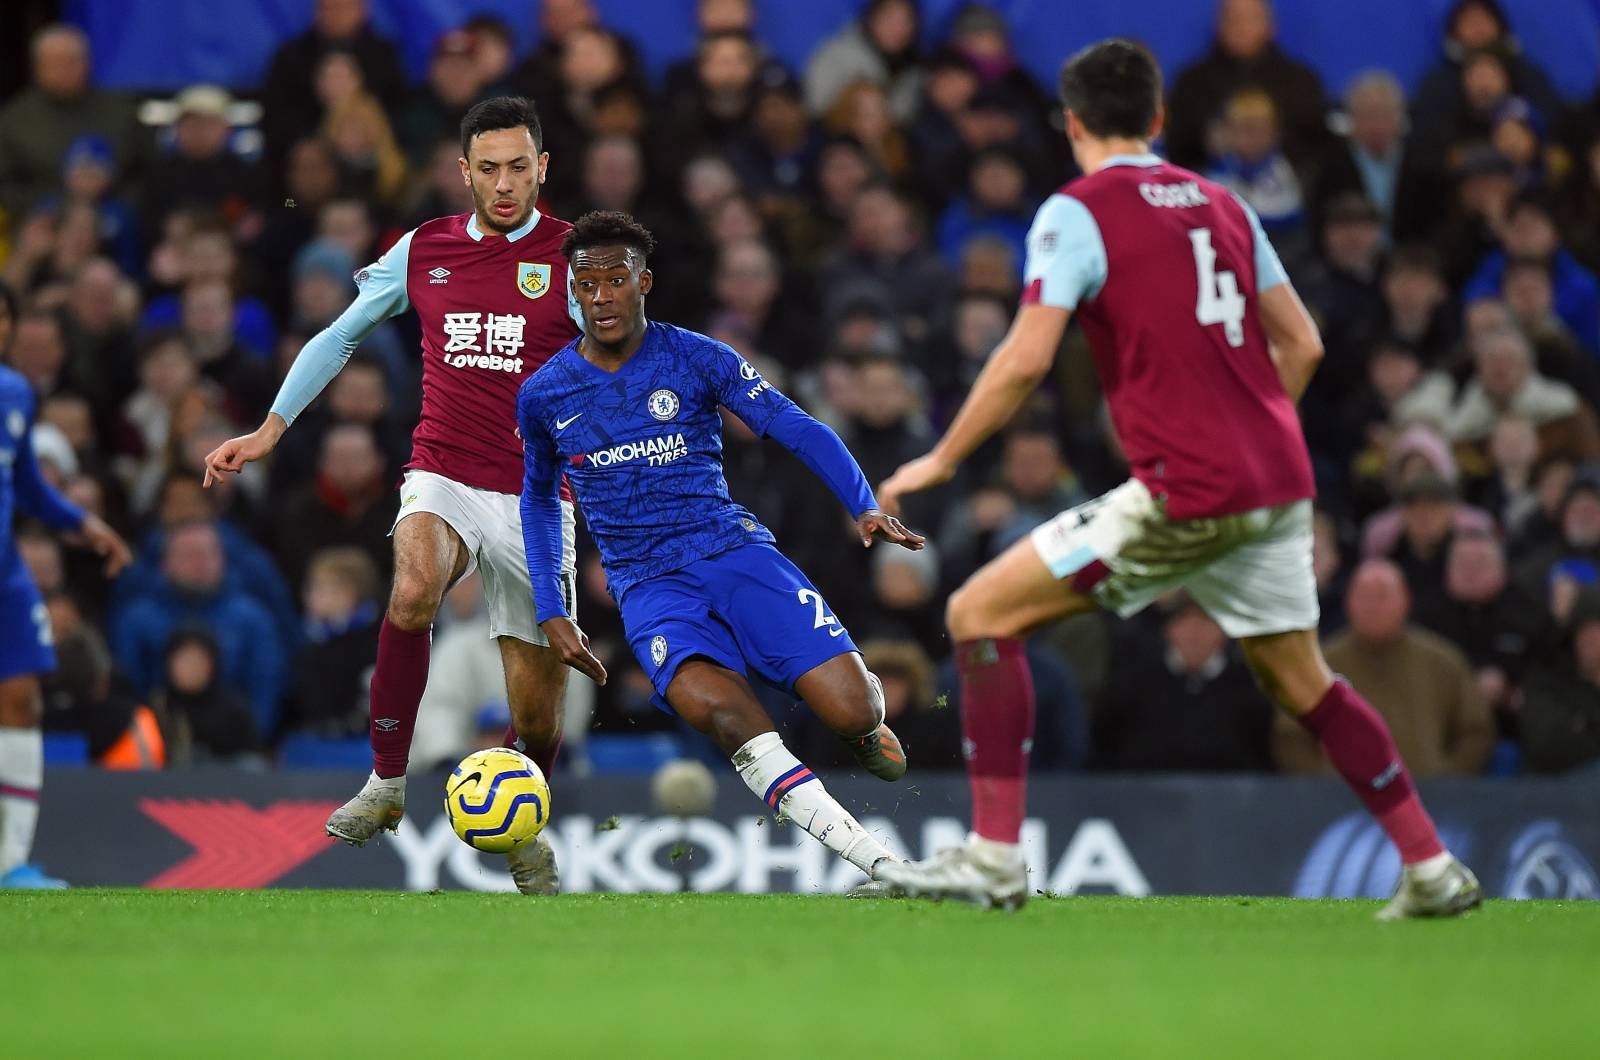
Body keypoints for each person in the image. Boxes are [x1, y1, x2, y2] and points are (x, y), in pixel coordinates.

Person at [874, 39, 1481, 918]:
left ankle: (995, 858)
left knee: (977, 613)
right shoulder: (1223, 204)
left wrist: (942, 457)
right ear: (1159, 120)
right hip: (1276, 483)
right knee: (1302, 680)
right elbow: (1302, 343)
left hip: (1186, 488)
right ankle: (1431, 867)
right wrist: (1248, 429)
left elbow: (1024, 358)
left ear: (1072, 123)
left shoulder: (1075, 212)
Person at [201, 98, 581, 895]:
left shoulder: (578, 259)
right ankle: (385, 781)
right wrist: (270, 430)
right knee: (411, 590)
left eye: (520, 167)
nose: (505, 184)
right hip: (441, 469)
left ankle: (522, 828)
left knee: (538, 714)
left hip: (540, 497)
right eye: (489, 169)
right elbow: (339, 334)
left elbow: (623, 366)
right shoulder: (425, 250)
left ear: (542, 167)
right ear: (464, 172)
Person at [520, 210, 924, 886]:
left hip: (732, 554)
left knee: (853, 709)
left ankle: (863, 719)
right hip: (648, 588)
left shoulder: (697, 357)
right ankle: (880, 863)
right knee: (723, 714)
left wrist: (863, 502)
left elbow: (793, 425)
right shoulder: (544, 394)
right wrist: (551, 604)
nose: (600, 297)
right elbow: (537, 498)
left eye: (614, 281)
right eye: (585, 285)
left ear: (642, 281)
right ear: (572, 291)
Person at [0, 279, 132, 888]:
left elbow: (24, 482)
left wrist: (82, 523)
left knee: (22, 701)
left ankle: (12, 864)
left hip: (7, 574)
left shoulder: (14, 393)